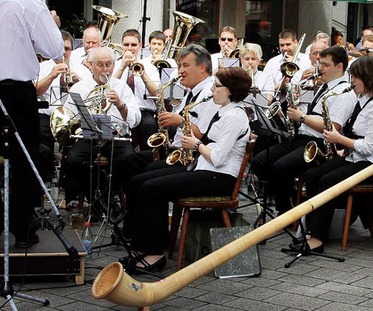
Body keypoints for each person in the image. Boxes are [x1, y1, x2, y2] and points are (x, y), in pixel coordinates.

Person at [127, 67, 251, 271]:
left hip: (218, 178)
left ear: (230, 90)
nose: (212, 90)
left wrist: (195, 145)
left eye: (217, 86)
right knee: (143, 182)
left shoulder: (235, 117)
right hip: (204, 170)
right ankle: (146, 245)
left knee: (152, 189)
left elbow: (219, 158)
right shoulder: (224, 111)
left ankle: (154, 254)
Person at [290, 56, 373, 252]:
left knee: (328, 181)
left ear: (368, 78)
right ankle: (311, 229)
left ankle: (319, 238)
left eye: (355, 77)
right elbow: (356, 136)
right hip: (356, 157)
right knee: (313, 174)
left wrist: (339, 139)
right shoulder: (363, 100)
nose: (351, 81)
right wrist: (342, 148)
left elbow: (369, 148)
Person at [118, 44, 218, 238]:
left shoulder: (208, 93)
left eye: (185, 65)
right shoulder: (192, 90)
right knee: (128, 163)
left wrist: (179, 120)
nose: (179, 71)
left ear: (202, 68)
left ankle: (149, 236)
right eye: (179, 65)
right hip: (176, 149)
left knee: (144, 178)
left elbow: (201, 134)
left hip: (193, 157)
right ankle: (134, 226)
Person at [251, 46, 354, 215]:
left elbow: (333, 127)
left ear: (340, 66)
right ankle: (289, 198)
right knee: (259, 161)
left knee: (280, 167)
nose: (320, 69)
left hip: (320, 144)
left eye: (326, 65)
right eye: (320, 64)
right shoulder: (324, 86)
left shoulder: (343, 91)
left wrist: (301, 117)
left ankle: (286, 213)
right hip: (302, 138)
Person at [0, 0, 64, 248]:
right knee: (25, 160)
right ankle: (23, 229)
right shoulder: (29, 3)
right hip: (15, 92)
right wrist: (54, 25)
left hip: (13, 91)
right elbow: (54, 49)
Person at [63, 46, 142, 213]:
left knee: (128, 160)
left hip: (116, 136)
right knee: (73, 161)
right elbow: (67, 116)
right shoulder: (80, 88)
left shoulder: (121, 87)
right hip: (88, 135)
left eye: (109, 64)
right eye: (100, 65)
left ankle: (105, 198)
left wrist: (120, 105)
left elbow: (135, 120)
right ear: (90, 65)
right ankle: (98, 200)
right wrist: (79, 120)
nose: (105, 69)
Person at [35, 30, 77, 181]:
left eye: (67, 49)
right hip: (47, 115)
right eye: (60, 48)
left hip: (72, 117)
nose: (64, 53)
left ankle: (68, 182)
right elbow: (36, 91)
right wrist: (52, 75)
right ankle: (47, 177)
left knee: (78, 141)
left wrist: (78, 82)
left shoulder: (80, 68)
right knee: (41, 134)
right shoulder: (42, 67)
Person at [112, 29, 160, 151]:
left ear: (140, 46)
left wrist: (142, 72)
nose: (129, 48)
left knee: (149, 125)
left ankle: (147, 159)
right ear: (121, 45)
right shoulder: (114, 66)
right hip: (119, 109)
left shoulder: (150, 68)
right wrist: (122, 67)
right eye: (126, 45)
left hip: (143, 110)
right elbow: (108, 88)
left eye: (133, 45)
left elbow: (157, 93)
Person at [263, 29, 312, 95]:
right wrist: (281, 85)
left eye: (288, 44)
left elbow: (308, 86)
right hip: (278, 101)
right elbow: (265, 89)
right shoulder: (272, 62)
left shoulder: (307, 60)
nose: (285, 48)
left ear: (296, 43)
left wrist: (295, 66)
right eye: (282, 45)